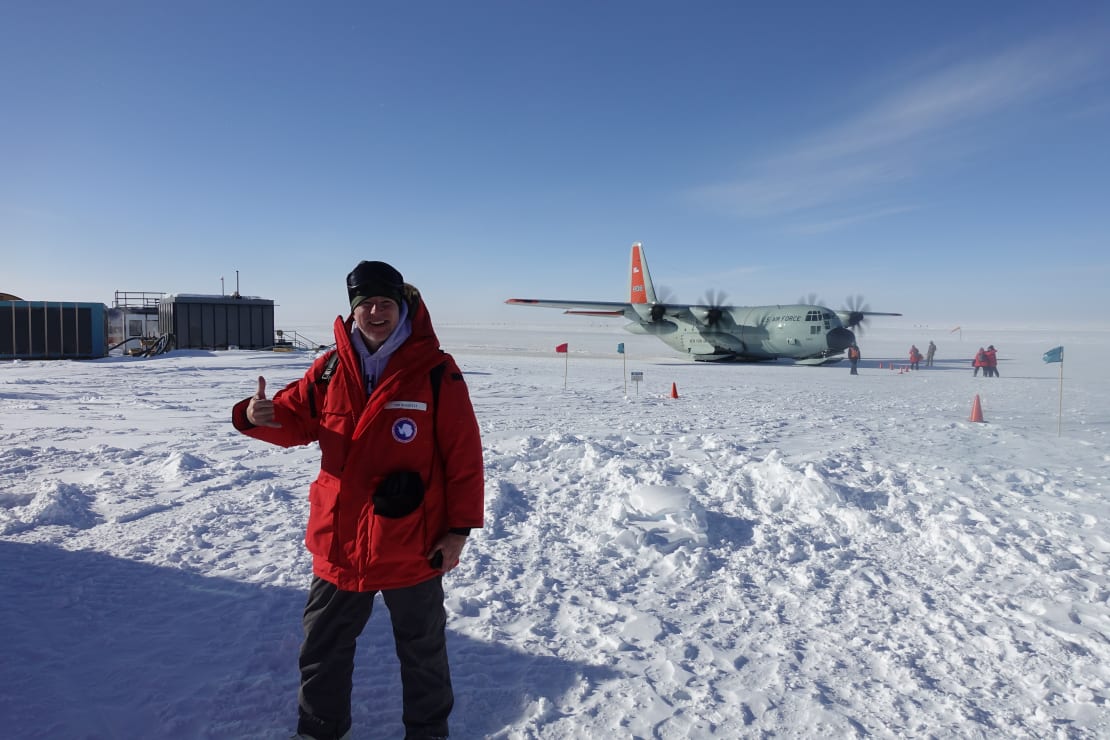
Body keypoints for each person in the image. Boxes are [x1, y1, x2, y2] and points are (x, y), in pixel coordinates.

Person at [232, 260, 485, 740]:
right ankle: (318, 732)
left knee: (422, 650)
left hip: (412, 540)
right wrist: (255, 414)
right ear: (352, 311)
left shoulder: (435, 371)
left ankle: (428, 733)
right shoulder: (330, 366)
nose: (375, 312)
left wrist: (458, 531)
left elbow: (464, 456)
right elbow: (296, 421)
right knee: (323, 648)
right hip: (341, 539)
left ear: (401, 308)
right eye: (366, 304)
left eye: (385, 303)